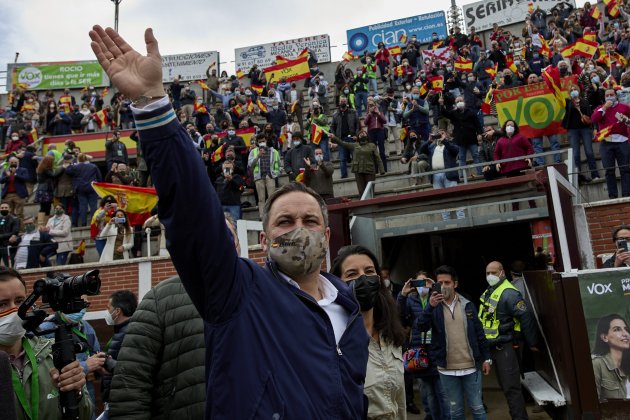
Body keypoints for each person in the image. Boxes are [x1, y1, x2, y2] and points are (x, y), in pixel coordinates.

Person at [89, 25, 369, 419]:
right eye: (285, 221)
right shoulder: (238, 290)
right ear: (266, 237)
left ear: (326, 235)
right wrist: (153, 104)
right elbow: (191, 212)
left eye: (308, 220)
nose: (298, 229)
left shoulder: (349, 304)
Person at [109, 215, 240, 419]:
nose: (216, 243)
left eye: (224, 235)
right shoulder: (158, 301)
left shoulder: (266, 294)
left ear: (238, 246)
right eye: (206, 235)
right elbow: (130, 388)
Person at [0, 266, 93, 419]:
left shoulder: (53, 352)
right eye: (2, 304)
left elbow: (85, 414)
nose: (14, 311)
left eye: (19, 301)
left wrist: (76, 393)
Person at [331, 245, 407, 420]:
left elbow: (399, 401)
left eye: (369, 271)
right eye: (352, 274)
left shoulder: (390, 336)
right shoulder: (336, 342)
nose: (363, 278)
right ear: (338, 283)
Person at [417, 265, 491, 420]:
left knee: (477, 408)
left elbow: (479, 333)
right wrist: (429, 307)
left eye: (447, 282)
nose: (443, 286)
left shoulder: (467, 304)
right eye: (440, 283)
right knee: (455, 411)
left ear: (455, 284)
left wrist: (486, 358)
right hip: (447, 369)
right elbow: (421, 327)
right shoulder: (434, 307)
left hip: (471, 367)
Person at [478, 261, 539, 420]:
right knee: (506, 388)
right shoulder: (492, 290)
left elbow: (526, 316)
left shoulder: (510, 293)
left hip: (506, 346)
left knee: (512, 389)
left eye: (493, 272)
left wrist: (532, 342)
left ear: (502, 272)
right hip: (494, 345)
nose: (490, 276)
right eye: (487, 273)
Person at [398, 273, 450, 419]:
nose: (422, 286)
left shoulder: (436, 297)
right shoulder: (411, 299)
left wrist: (435, 287)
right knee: (428, 392)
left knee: (442, 392)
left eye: (424, 282)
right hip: (419, 349)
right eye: (418, 282)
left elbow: (448, 306)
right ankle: (431, 416)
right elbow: (400, 314)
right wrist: (402, 294)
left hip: (436, 346)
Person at [87, 290, 137, 420]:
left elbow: (128, 369)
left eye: (108, 308)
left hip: (120, 401)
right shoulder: (122, 332)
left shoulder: (128, 333)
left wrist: (106, 364)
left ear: (118, 311)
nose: (107, 312)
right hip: (115, 400)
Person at [591, 89, 630, 199]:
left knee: (625, 169)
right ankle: (612, 196)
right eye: (607, 95)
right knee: (609, 171)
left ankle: (627, 195)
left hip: (622, 142)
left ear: (616, 96)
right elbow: (594, 119)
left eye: (611, 95)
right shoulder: (600, 108)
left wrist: (626, 120)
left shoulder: (624, 107)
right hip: (606, 143)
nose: (609, 97)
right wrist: (604, 108)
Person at [331, 131, 385, 197]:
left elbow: (378, 158)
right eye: (360, 134)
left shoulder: (372, 145)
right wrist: (334, 138)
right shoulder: (355, 145)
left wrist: (382, 170)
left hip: (370, 170)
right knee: (361, 191)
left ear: (367, 136)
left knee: (370, 190)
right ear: (358, 137)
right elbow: (343, 144)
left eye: (364, 133)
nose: (362, 134)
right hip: (358, 171)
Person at [591, 314, 630, 399]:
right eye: (617, 329)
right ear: (605, 337)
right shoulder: (596, 364)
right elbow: (592, 405)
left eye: (626, 329)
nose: (625, 334)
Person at [247, 138, 280, 219]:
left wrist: (275, 174)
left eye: (263, 141)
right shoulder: (253, 151)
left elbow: (278, 164)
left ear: (266, 141)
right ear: (257, 143)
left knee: (272, 197)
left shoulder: (274, 151)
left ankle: (273, 215)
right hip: (259, 177)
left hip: (270, 176)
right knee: (261, 199)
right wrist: (258, 156)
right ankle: (262, 217)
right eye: (260, 141)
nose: (262, 143)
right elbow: (250, 165)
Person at [0, 156, 29, 221]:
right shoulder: (6, 171)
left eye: (15, 162)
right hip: (7, 195)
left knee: (19, 214)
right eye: (12, 162)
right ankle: (9, 229)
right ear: (9, 163)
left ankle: (21, 229)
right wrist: (7, 176)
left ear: (18, 163)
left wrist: (15, 174)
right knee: (9, 214)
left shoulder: (23, 170)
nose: (14, 163)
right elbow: (1, 181)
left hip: (19, 194)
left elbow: (26, 179)